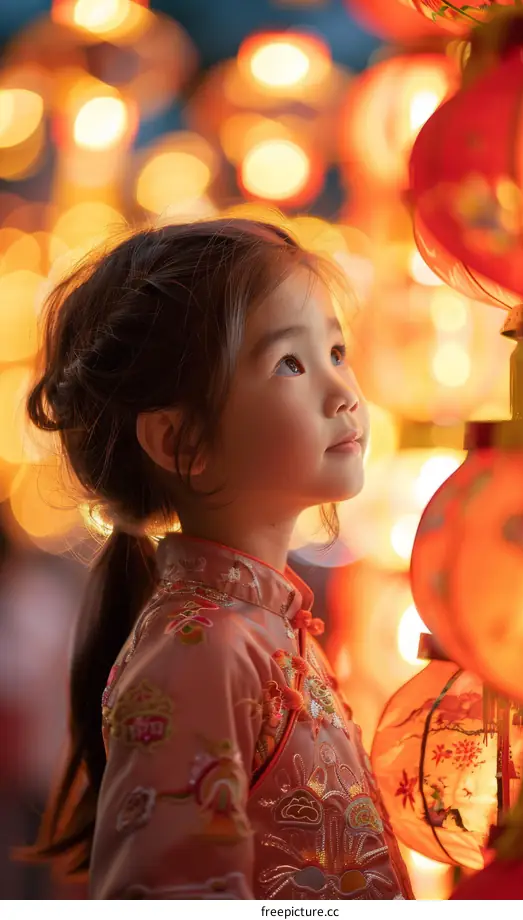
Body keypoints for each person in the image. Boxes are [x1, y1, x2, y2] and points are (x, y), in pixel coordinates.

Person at [24, 218, 414, 900]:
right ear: (180, 439)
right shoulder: (201, 651)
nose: (344, 391)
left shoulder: (264, 633)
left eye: (337, 351)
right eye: (290, 363)